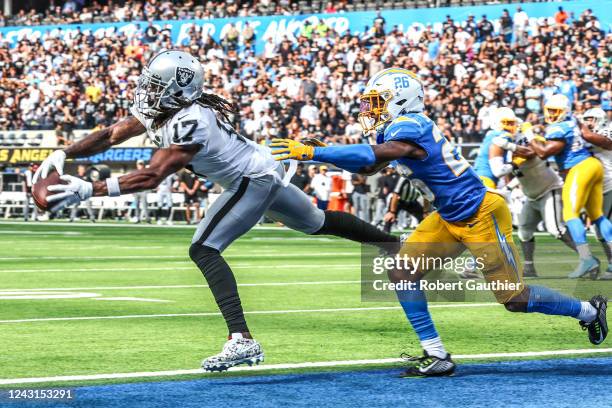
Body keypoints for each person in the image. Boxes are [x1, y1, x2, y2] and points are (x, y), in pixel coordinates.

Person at [34, 50, 400, 373]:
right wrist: (64, 153)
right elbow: (111, 134)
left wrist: (90, 189)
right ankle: (396, 244)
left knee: (204, 248)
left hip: (253, 177)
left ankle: (241, 338)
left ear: (178, 90)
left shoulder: (191, 121)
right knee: (318, 223)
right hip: (262, 168)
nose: (147, 90)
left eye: (155, 84)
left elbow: (153, 175)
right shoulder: (165, 110)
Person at [272, 68, 608, 377]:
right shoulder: (397, 132)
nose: (371, 110)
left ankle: (588, 311)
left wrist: (316, 153)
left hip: (480, 212)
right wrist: (326, 152)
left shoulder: (411, 125)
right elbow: (368, 167)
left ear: (400, 101)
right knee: (401, 269)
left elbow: (376, 156)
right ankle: (436, 355)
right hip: (448, 216)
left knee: (514, 300)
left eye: (377, 103)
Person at [530, 94, 612, 279]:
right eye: (549, 110)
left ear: (564, 111)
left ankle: (586, 259)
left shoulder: (560, 127)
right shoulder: (572, 123)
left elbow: (543, 153)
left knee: (570, 215)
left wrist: (529, 135)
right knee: (597, 216)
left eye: (555, 111)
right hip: (592, 166)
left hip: (579, 169)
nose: (551, 114)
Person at [491, 116, 576, 277]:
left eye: (512, 124)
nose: (510, 128)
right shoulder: (509, 147)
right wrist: (508, 187)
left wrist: (510, 145)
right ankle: (529, 267)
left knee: (555, 229)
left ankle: (587, 258)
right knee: (524, 230)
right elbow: (520, 173)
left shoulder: (530, 139)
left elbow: (531, 152)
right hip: (531, 195)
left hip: (549, 189)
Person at [581, 107, 612, 280]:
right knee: (601, 230)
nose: (588, 122)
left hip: (610, 184)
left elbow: (603, 141)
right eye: (586, 119)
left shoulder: (607, 130)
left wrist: (580, 127)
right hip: (599, 187)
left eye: (591, 119)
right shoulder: (587, 133)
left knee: (603, 229)